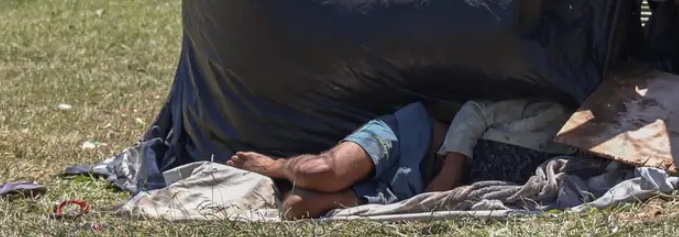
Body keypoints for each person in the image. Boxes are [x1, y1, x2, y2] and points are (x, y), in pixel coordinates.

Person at [227, 99, 571, 219]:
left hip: (413, 190)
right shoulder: (555, 116)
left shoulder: (576, 167)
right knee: (325, 171)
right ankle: (275, 166)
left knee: (296, 208)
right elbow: (475, 111)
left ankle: (325, 190)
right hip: (410, 137)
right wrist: (452, 169)